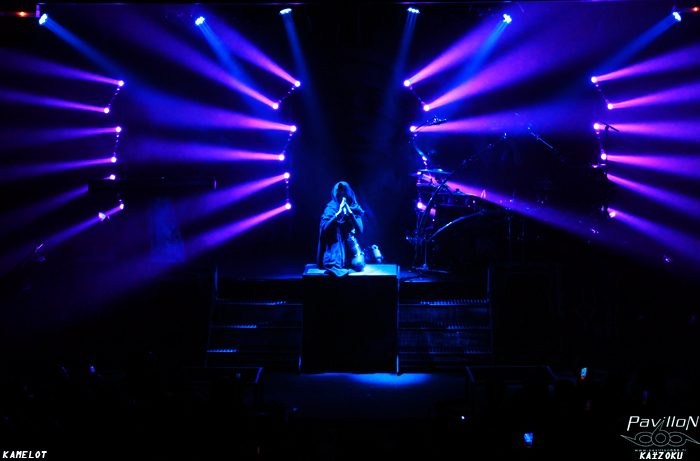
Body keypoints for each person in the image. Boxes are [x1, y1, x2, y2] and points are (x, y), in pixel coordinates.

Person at [317, 181, 365, 277]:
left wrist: (351, 214)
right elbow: (325, 229)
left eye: (345, 195)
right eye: (340, 195)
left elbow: (360, 230)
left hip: (349, 243)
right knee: (336, 265)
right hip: (335, 245)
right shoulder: (331, 207)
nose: (342, 198)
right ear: (336, 195)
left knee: (359, 264)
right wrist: (337, 215)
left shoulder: (354, 207)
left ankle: (351, 259)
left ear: (349, 195)